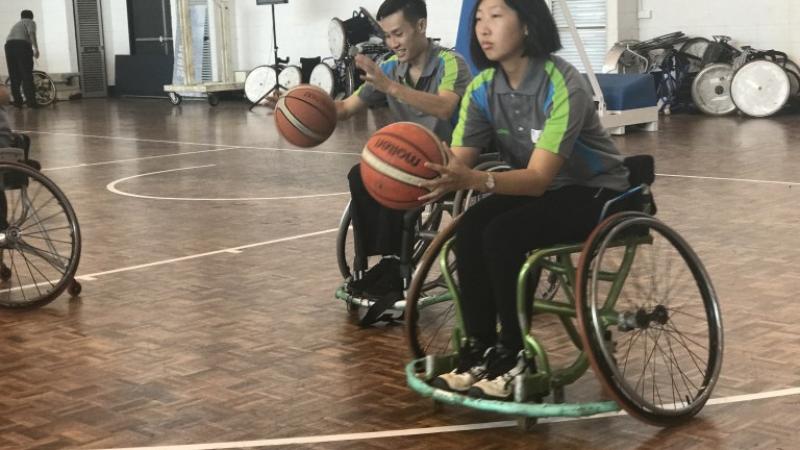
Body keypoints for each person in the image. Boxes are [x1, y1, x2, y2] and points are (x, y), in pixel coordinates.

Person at [420, 0, 633, 400]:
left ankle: (514, 354)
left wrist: (471, 179)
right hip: (546, 189)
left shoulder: (563, 83)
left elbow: (536, 180)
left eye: (496, 17)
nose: (483, 28)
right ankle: (479, 349)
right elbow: (457, 162)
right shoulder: (483, 88)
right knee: (469, 227)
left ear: (528, 25)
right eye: (479, 19)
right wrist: (415, 172)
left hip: (597, 190)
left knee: (504, 233)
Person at [269, 0, 471, 301]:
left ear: (421, 26)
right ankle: (385, 263)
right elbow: (346, 109)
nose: (393, 43)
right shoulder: (389, 68)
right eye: (387, 36)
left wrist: (391, 88)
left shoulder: (451, 63)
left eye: (398, 34)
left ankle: (394, 269)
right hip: (411, 157)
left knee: (396, 175)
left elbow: (444, 107)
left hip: (451, 159)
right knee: (361, 174)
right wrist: (295, 103)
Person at [5, 10, 40, 108]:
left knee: (14, 76)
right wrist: (36, 49)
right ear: (31, 16)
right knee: (26, 75)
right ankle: (32, 103)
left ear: (21, 16)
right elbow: (32, 34)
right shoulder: (30, 22)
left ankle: (18, 102)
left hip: (9, 46)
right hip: (21, 46)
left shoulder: (17, 24)